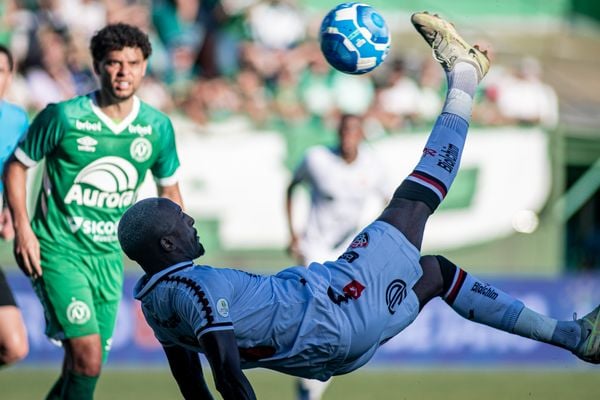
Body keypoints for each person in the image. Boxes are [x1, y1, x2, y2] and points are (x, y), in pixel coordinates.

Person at [118, 13, 600, 400]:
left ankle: (575, 337)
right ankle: (464, 71)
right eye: (182, 221)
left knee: (433, 274)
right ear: (167, 242)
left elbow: (191, 385)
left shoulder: (156, 306)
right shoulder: (194, 288)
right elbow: (224, 376)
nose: (190, 219)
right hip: (335, 307)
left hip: (337, 350)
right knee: (414, 201)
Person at [5, 23, 183, 399]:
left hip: (107, 258)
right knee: (86, 358)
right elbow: (17, 165)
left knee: (83, 369)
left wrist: (176, 256)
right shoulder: (64, 117)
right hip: (56, 251)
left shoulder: (156, 127)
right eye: (114, 63)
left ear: (145, 67)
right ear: (98, 66)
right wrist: (24, 228)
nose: (123, 72)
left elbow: (170, 190)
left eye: (132, 63)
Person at [285, 113, 389, 400]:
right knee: (320, 313)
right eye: (343, 132)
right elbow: (291, 187)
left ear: (361, 135)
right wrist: (293, 233)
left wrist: (377, 239)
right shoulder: (317, 159)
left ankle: (313, 378)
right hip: (314, 248)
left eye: (353, 132)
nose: (347, 138)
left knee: (341, 322)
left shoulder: (373, 165)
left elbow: (388, 201)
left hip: (346, 253)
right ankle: (310, 379)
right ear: (338, 133)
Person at [0, 44, 29, 368]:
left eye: (0, 71)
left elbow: (14, 174)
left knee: (14, 346)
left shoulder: (16, 120)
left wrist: (11, 212)